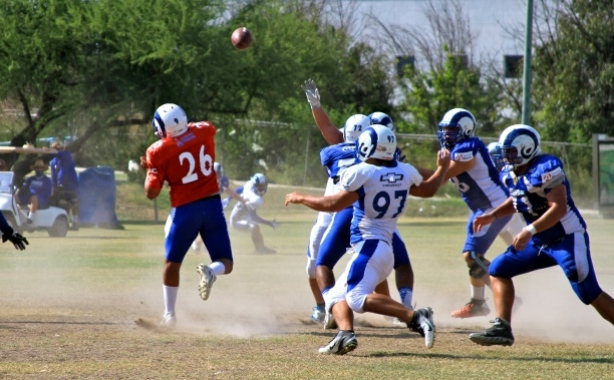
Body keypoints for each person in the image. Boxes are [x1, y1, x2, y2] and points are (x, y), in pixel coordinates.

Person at [286, 125, 451, 354]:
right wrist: (442, 168)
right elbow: (429, 189)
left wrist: (301, 197)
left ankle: (414, 316)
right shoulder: (404, 171)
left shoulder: (364, 173)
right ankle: (345, 334)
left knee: (355, 298)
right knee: (334, 296)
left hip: (369, 247)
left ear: (366, 146)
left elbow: (333, 204)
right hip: (383, 247)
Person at [469, 124, 614, 346]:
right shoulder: (512, 174)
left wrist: (529, 230)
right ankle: (502, 327)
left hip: (566, 238)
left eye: (510, 151)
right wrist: (493, 215)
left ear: (526, 149)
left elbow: (558, 208)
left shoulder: (546, 167)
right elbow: (519, 200)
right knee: (498, 269)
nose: (506, 157)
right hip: (540, 242)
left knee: (588, 293)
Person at [302, 79, 418, 327]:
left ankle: (328, 306)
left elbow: (331, 133)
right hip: (372, 216)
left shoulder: (335, 151)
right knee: (387, 260)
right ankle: (403, 307)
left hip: (340, 213)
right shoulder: (379, 156)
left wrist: (316, 106)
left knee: (321, 263)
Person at [141, 103, 233, 327]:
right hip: (212, 206)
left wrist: (151, 169)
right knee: (226, 263)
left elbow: (151, 193)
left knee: (172, 263)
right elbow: (196, 133)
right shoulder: (205, 130)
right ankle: (211, 271)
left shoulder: (158, 151)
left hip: (185, 210)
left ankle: (169, 315)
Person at [431, 108, 514, 319]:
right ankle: (478, 303)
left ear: (465, 130)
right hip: (480, 208)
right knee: (472, 256)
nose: (446, 134)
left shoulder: (468, 147)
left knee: (472, 255)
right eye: (444, 129)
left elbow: (440, 177)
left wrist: (410, 175)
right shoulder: (458, 148)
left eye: (452, 129)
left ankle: (505, 295)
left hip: (493, 206)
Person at [188, 162, 244, 252]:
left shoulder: (222, 181)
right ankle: (207, 244)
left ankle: (200, 243)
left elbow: (230, 192)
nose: (215, 176)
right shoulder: (203, 182)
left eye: (217, 174)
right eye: (213, 174)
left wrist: (242, 200)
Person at [229, 173, 278, 253]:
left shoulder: (249, 190)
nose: (261, 188)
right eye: (259, 186)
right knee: (255, 227)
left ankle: (260, 248)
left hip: (243, 217)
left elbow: (240, 189)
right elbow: (254, 217)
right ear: (254, 185)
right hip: (236, 221)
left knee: (256, 227)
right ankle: (260, 249)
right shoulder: (253, 199)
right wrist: (269, 223)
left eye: (263, 186)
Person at [486, 142, 525, 246]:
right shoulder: (506, 168)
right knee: (517, 234)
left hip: (509, 205)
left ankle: (517, 250)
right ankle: (519, 251)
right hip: (510, 204)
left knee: (502, 229)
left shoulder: (505, 170)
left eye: (492, 155)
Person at [50, 141, 80, 230]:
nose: (57, 150)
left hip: (72, 184)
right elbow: (53, 176)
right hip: (60, 185)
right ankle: (63, 223)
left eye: (58, 148)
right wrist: (54, 185)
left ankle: (75, 223)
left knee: (74, 203)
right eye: (55, 148)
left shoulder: (66, 154)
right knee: (62, 204)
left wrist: (51, 150)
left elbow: (60, 153)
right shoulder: (53, 162)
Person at [16, 158, 53, 224]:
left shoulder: (47, 180)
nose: (39, 169)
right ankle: (15, 218)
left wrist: (35, 195)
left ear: (43, 169)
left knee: (34, 198)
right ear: (35, 169)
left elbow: (47, 193)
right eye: (37, 167)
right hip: (29, 197)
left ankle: (30, 219)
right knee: (15, 196)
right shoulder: (30, 179)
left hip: (42, 199)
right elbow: (25, 187)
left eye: (41, 167)